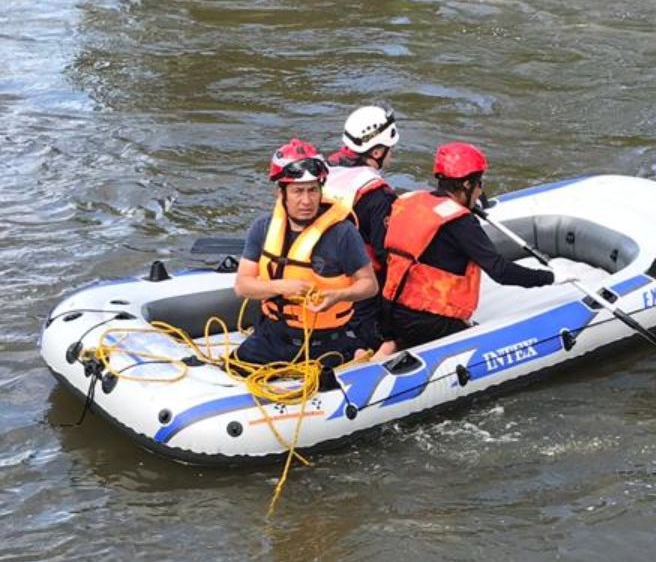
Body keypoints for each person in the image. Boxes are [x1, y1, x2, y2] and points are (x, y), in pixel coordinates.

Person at [373, 142, 554, 358]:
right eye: (479, 184)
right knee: (480, 342)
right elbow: (501, 271)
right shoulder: (460, 222)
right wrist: (549, 277)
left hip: (389, 310)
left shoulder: (412, 201)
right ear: (467, 184)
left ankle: (390, 345)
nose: (480, 191)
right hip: (426, 321)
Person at [232, 139, 378, 367]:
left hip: (327, 340)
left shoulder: (343, 233)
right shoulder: (263, 227)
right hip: (272, 335)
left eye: (313, 190)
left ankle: (357, 351)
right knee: (231, 370)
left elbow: (369, 285)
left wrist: (338, 296)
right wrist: (281, 287)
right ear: (281, 192)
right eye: (297, 191)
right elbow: (242, 286)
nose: (306, 201)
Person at [323, 104, 401, 348]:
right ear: (377, 151)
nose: (392, 153)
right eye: (390, 148)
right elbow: (387, 255)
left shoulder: (323, 171)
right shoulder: (378, 196)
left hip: (315, 273)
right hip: (357, 291)